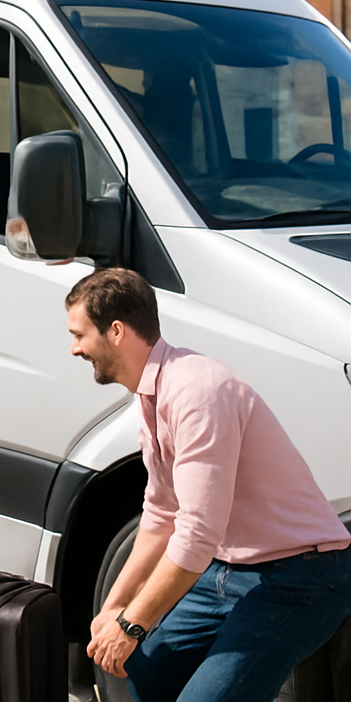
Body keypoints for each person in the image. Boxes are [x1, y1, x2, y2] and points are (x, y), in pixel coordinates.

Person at [68, 267, 351, 702]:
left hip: (300, 576)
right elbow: (162, 512)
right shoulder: (153, 393)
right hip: (226, 570)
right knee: (145, 675)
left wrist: (131, 624)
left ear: (117, 332)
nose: (74, 349)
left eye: (80, 334)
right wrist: (113, 608)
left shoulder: (198, 391)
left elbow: (198, 533)